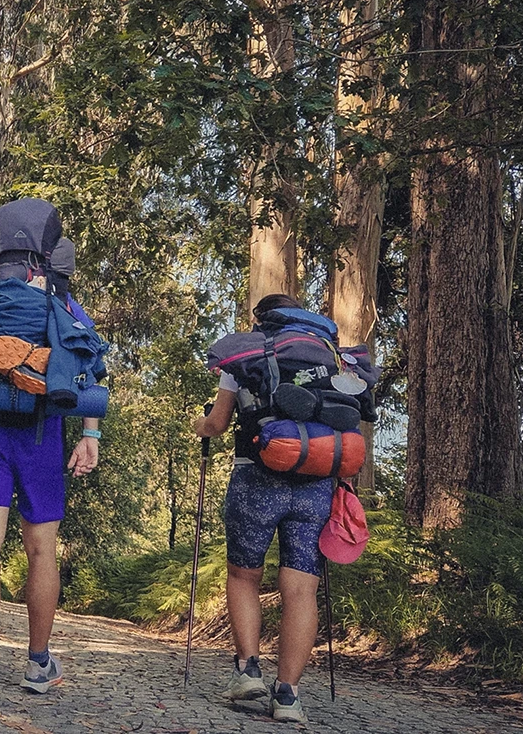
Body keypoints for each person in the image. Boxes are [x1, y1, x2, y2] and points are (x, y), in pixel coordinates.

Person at [0, 293, 102, 705]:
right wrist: (90, 434)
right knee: (41, 550)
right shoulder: (61, 302)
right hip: (43, 439)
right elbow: (89, 365)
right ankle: (38, 665)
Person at [192, 293, 333, 724]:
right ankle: (288, 695)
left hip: (258, 475)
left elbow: (216, 423)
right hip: (316, 478)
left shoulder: (248, 356)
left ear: (260, 320)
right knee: (302, 588)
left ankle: (248, 669)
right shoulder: (327, 356)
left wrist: (200, 425)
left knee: (244, 573)